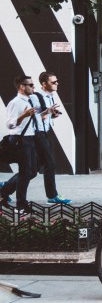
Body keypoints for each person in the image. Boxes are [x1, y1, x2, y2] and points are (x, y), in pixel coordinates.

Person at [1, 75, 51, 212]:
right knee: (25, 172)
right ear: (22, 87)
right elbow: (10, 124)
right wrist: (23, 115)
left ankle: (4, 191)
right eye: (30, 85)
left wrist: (45, 114)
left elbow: (31, 121)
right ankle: (21, 205)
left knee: (32, 171)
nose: (33, 87)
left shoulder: (29, 101)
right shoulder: (16, 102)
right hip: (21, 140)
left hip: (31, 139)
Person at [30, 71, 71, 204]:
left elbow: (45, 115)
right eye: (53, 82)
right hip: (37, 134)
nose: (57, 83)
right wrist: (46, 112)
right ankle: (52, 196)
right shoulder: (36, 97)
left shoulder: (50, 96)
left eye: (56, 81)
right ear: (44, 84)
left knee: (32, 170)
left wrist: (52, 115)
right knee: (50, 164)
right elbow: (31, 117)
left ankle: (5, 188)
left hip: (46, 133)